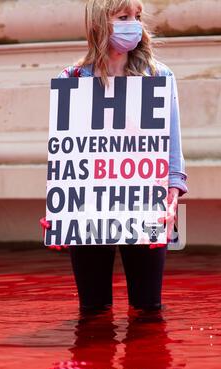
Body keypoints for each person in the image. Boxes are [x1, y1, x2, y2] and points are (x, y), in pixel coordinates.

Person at [41, 0, 188, 313]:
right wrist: (59, 211)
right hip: (87, 207)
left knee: (148, 311)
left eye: (137, 16)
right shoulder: (72, 79)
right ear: (99, 23)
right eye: (123, 17)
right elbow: (67, 152)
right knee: (93, 312)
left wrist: (173, 196)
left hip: (146, 203)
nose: (133, 24)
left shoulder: (158, 76)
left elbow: (171, 145)